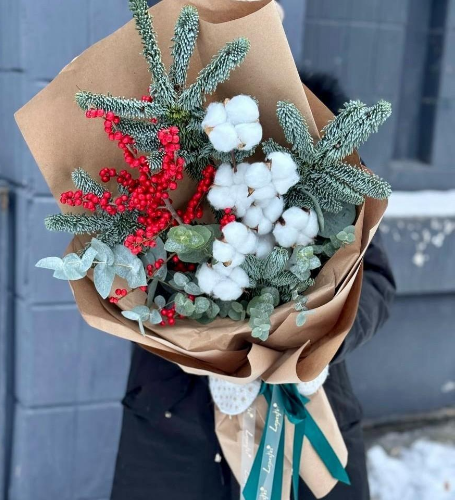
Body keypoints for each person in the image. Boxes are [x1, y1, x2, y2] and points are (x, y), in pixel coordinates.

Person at [110, 69, 396, 500]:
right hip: (175, 422)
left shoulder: (317, 132)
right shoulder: (159, 138)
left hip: (310, 407)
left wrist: (316, 342)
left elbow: (374, 277)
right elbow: (119, 271)